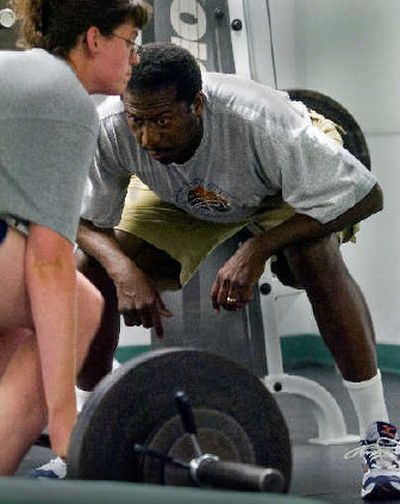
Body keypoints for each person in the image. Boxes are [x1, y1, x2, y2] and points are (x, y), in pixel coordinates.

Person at [37, 41, 395, 497]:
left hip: (283, 182)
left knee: (312, 256)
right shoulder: (112, 125)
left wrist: (257, 249)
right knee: (93, 268)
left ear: (197, 105)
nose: (147, 139)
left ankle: (379, 439)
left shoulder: (266, 124)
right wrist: (122, 269)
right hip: (189, 194)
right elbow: (83, 218)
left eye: (163, 121)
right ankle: (75, 443)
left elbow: (367, 194)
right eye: (138, 121)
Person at [0, 0, 149, 477]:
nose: (136, 58)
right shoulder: (63, 96)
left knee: (23, 326)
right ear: (93, 39)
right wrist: (65, 418)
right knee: (80, 304)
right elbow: (49, 262)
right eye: (130, 42)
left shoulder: (24, 76)